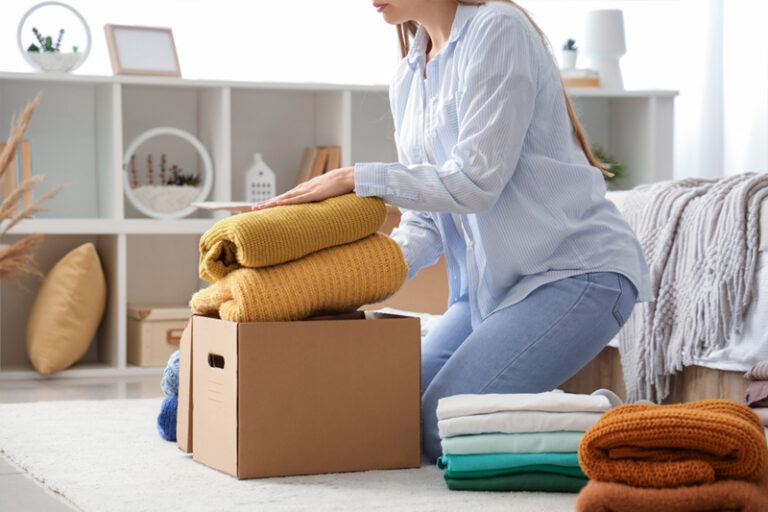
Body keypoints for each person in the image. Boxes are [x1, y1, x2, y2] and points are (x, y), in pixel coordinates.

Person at [253, 0, 652, 462]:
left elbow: (476, 183)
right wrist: (348, 284)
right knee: (388, 412)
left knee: (437, 430)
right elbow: (427, 220)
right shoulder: (408, 76)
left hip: (576, 276)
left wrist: (355, 178)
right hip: (491, 292)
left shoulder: (497, 30)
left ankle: (618, 427)